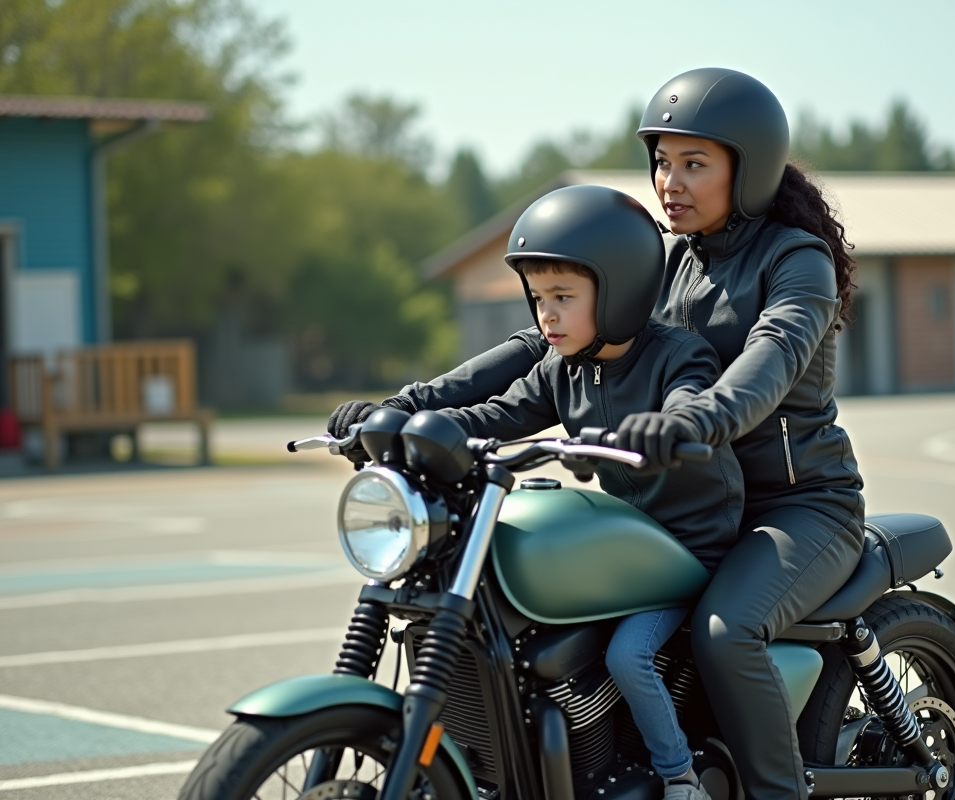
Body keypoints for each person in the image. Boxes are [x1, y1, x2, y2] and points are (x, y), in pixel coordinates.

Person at [329, 68, 864, 800]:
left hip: (796, 510)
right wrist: (411, 407)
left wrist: (697, 418)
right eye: (661, 161)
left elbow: (772, 355)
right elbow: (542, 347)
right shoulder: (668, 260)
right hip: (681, 500)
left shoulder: (795, 259)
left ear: (752, 166)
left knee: (723, 630)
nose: (669, 181)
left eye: (694, 163)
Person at [438, 183, 743, 800]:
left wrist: (670, 424)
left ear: (622, 290)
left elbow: (693, 396)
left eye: (563, 297)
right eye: (539, 298)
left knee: (628, 656)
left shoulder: (678, 353)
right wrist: (413, 424)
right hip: (627, 553)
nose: (545, 314)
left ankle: (680, 777)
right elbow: (496, 413)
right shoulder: (564, 368)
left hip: (689, 552)